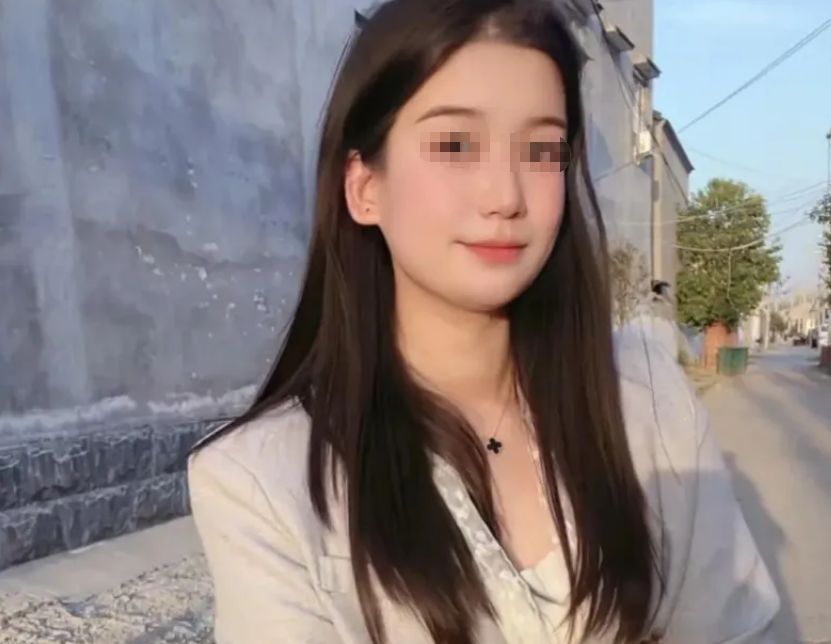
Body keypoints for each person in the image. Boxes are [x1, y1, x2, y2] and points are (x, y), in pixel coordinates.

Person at [187, 0, 780, 642]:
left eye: (542, 149)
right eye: (455, 144)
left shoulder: (649, 400)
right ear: (364, 188)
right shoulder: (265, 482)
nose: (505, 196)